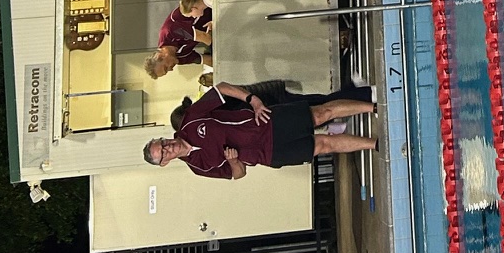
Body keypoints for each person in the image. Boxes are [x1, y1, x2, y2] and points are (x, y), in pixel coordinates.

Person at [144, 82, 375, 177]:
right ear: (165, 162)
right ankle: (373, 144)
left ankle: (372, 106)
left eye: (163, 144)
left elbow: (221, 88)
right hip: (268, 154)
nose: (168, 148)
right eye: (163, 153)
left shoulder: (191, 122)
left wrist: (252, 100)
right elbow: (238, 174)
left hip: (265, 123)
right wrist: (233, 161)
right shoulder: (198, 166)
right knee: (323, 145)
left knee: (321, 113)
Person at [144, 0, 213, 80]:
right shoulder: (178, 59)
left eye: (166, 68)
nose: (171, 69)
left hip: (209, 1)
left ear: (161, 55)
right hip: (215, 20)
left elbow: (206, 37)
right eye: (167, 71)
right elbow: (208, 60)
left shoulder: (170, 31)